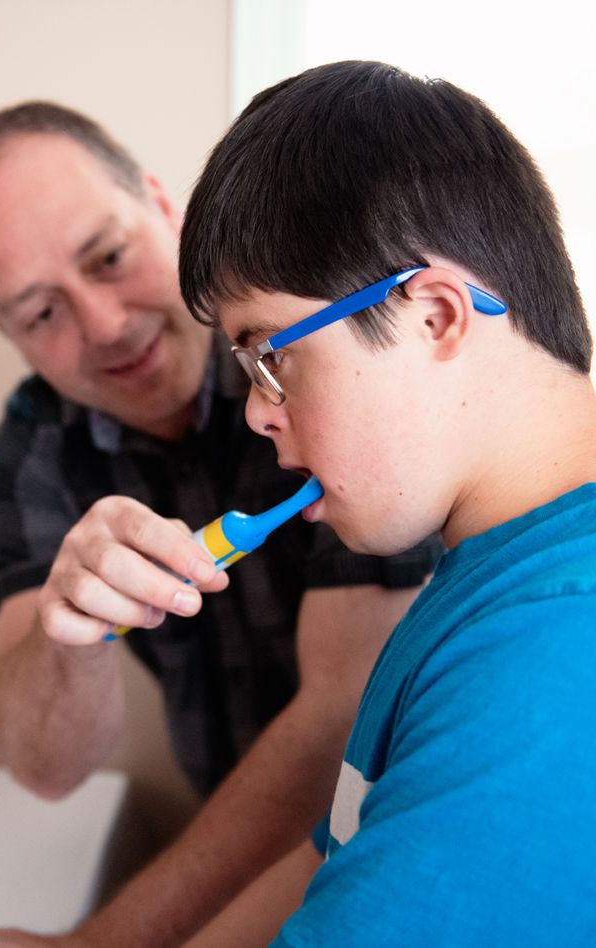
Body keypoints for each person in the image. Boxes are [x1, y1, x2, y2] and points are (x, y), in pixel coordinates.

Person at [0, 102, 440, 947]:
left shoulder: (324, 360)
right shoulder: (33, 452)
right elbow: (45, 768)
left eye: (108, 257)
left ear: (159, 202)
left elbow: (342, 715)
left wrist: (102, 943)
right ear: (6, 335)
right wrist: (74, 632)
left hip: (399, 838)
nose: (105, 326)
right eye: (40, 315)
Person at [178, 60, 596, 945]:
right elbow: (339, 852)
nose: (257, 408)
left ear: (435, 317)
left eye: (268, 352)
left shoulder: (549, 655)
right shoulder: (490, 568)